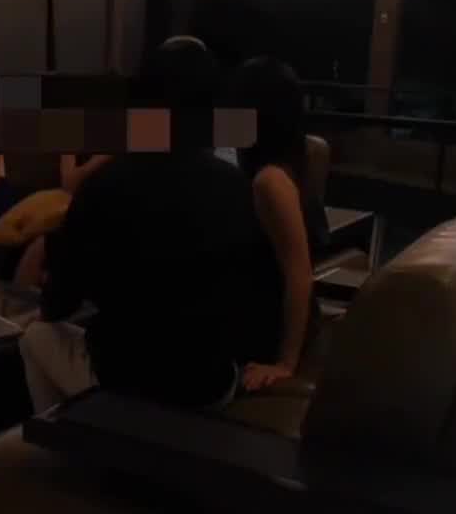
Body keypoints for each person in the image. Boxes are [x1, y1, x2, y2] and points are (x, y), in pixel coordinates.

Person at [21, 36, 282, 412]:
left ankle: (63, 439)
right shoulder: (238, 186)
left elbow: (62, 296)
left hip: (124, 378)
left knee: (36, 336)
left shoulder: (104, 184)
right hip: (211, 384)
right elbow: (256, 288)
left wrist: (50, 310)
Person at [230, 57, 330, 391]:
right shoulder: (296, 158)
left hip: (269, 332)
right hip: (272, 317)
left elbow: (299, 275)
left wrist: (285, 363)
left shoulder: (270, 180)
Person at [11, 153, 112, 287]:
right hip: (78, 208)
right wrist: (97, 161)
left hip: (112, 210)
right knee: (36, 251)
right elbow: (68, 184)